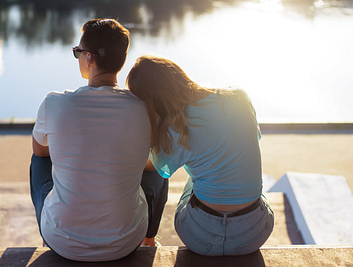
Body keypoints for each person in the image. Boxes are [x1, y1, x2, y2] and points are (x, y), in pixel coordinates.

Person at [30, 19, 168, 262]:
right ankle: (149, 239)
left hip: (61, 241)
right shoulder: (147, 110)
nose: (78, 58)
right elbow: (150, 166)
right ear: (121, 61)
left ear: (89, 58)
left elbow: (40, 152)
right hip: (126, 242)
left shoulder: (54, 104)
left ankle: (48, 232)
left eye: (77, 53)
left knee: (38, 163)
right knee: (159, 166)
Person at [126, 55, 274, 256]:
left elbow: (148, 167)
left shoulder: (175, 127)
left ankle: (148, 241)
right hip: (254, 234)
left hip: (201, 237)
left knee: (182, 175)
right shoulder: (239, 97)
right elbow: (253, 139)